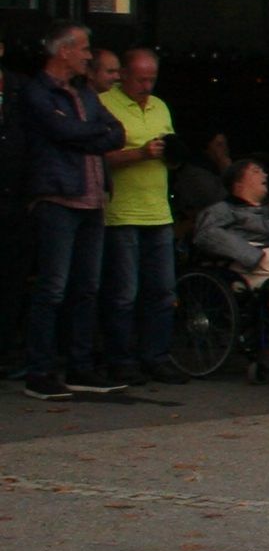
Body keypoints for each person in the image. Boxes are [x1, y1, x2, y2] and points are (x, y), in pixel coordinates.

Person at [18, 23, 126, 400]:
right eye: (83, 48)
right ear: (63, 51)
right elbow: (60, 133)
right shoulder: (37, 92)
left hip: (93, 199)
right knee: (52, 288)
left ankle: (80, 367)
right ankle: (40, 371)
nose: (88, 55)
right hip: (58, 199)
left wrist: (83, 131)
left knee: (87, 288)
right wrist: (89, 133)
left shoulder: (84, 94)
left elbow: (117, 132)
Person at [97, 45, 180, 385]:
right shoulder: (105, 103)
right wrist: (141, 153)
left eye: (152, 79)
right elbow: (100, 157)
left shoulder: (160, 106)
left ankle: (156, 357)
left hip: (158, 210)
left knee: (161, 290)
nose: (147, 86)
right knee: (124, 292)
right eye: (141, 79)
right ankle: (121, 359)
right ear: (124, 76)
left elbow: (172, 149)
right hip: (122, 212)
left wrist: (173, 154)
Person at [191, 156, 269, 279]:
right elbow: (207, 234)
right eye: (256, 171)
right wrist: (252, 255)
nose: (265, 175)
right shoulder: (223, 209)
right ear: (239, 185)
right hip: (258, 261)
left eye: (263, 171)